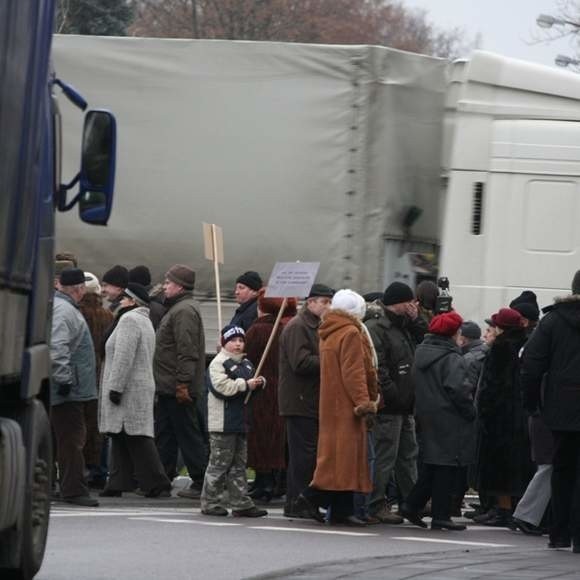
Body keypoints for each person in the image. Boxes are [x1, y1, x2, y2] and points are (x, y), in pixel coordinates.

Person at [295, 290, 378, 526]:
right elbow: (354, 373)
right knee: (344, 458)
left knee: (339, 459)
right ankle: (312, 498)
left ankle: (341, 509)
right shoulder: (351, 332)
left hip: (331, 402)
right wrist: (364, 403)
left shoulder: (330, 331)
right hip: (347, 405)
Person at [521, 271, 580, 552]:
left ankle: (559, 532)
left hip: (562, 407)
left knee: (562, 469)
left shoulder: (554, 320)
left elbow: (532, 364)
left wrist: (532, 403)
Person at [401, 311, 475, 531]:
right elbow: (459, 390)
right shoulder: (452, 357)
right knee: (446, 466)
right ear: (452, 333)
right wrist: (471, 411)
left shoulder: (421, 352)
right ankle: (440, 515)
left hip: (426, 413)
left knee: (433, 465)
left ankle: (412, 505)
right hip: (450, 416)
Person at [98, 283, 171, 497]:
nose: (119, 302)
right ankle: (118, 482)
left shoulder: (129, 320)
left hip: (128, 388)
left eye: (122, 299)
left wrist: (116, 387)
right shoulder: (144, 320)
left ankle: (158, 483)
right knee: (121, 434)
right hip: (138, 386)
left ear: (131, 301)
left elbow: (124, 355)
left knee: (137, 436)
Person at [364, 281, 423, 524]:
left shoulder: (404, 326)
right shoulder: (378, 328)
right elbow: (380, 369)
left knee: (408, 455)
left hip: (406, 404)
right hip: (390, 405)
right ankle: (375, 503)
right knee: (385, 455)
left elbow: (426, 337)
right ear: (397, 303)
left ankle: (412, 503)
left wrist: (416, 319)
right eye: (409, 302)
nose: (412, 306)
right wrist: (393, 396)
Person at [278, 283, 334, 518]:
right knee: (304, 456)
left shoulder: (316, 326)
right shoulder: (298, 326)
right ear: (310, 302)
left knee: (307, 454)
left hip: (310, 399)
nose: (328, 306)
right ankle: (299, 502)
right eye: (324, 301)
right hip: (300, 400)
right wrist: (331, 359)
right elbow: (300, 362)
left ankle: (298, 502)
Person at [201, 324, 267, 518]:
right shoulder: (218, 363)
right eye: (233, 341)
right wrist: (244, 385)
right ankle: (210, 501)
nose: (238, 344)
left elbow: (251, 387)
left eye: (240, 340)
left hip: (241, 421)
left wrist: (259, 383)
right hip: (222, 422)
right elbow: (221, 388)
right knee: (219, 463)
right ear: (224, 343)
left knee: (239, 464)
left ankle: (240, 502)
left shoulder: (246, 364)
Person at [475, 308, 533, 527]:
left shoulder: (499, 350)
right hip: (520, 414)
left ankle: (503, 509)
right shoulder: (526, 345)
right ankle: (510, 509)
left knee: (498, 466)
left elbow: (492, 387)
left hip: (500, 417)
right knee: (517, 465)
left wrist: (484, 413)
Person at [153, 264, 208, 498]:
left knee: (188, 435)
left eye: (168, 283)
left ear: (180, 286)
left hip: (177, 386)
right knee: (165, 434)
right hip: (168, 385)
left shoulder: (183, 311)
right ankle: (161, 478)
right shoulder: (178, 308)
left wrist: (183, 383)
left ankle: (203, 481)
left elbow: (187, 351)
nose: (164, 286)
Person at [50, 268, 99, 507]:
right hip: (68, 390)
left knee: (61, 439)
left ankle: (59, 486)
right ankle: (73, 490)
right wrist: (64, 381)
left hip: (67, 387)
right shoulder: (65, 311)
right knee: (72, 439)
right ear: (79, 289)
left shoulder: (61, 307)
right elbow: (58, 348)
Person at [245, 292, 297, 502]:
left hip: (260, 390)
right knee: (275, 438)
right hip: (280, 389)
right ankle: (272, 482)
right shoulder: (285, 329)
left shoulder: (257, 330)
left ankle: (262, 483)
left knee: (260, 437)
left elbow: (245, 358)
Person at [78, 271, 113, 489]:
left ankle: (79, 470)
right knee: (100, 425)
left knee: (78, 426)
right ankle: (99, 470)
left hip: (81, 375)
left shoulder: (77, 313)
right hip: (102, 375)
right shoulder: (108, 315)